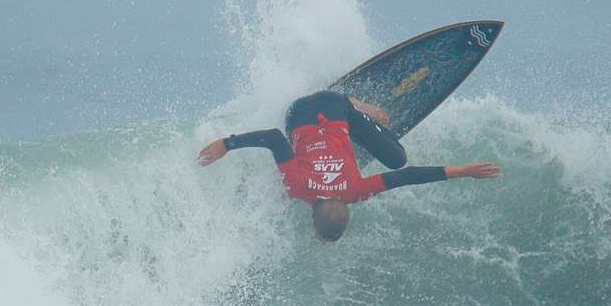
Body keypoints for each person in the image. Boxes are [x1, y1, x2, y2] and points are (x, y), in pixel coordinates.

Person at [197, 89, 501, 242]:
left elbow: (406, 175)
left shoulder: (357, 190)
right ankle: (356, 107)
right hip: (298, 114)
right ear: (313, 221)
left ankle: (357, 110)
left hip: (331, 104)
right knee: (387, 155)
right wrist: (226, 145)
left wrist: (464, 171)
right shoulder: (297, 188)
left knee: (398, 158)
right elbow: (276, 138)